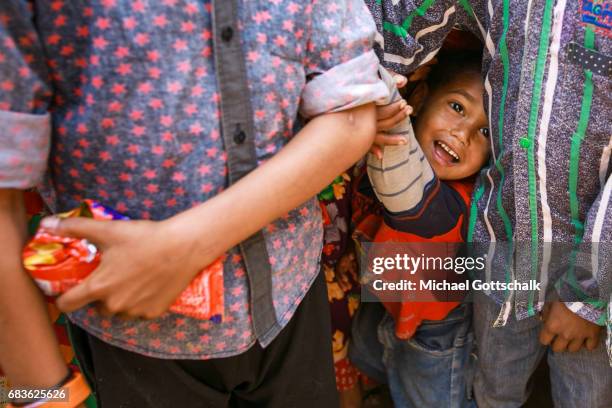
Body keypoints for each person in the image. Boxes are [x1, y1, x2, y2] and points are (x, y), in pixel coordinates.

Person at [0, 1, 389, 406]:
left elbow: (350, 117)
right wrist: (44, 397)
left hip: (289, 298)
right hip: (136, 337)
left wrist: (188, 244)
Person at [365, 0, 611, 406]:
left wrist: (586, 296)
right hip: (500, 253)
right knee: (493, 391)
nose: (463, 134)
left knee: (585, 396)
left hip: (593, 266)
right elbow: (396, 25)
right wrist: (354, 79)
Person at [349, 51, 490, 407]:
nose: (463, 133)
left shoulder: (455, 202)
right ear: (421, 97)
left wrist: (384, 100)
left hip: (436, 332)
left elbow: (407, 191)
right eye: (457, 107)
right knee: (373, 361)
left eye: (486, 131)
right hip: (382, 299)